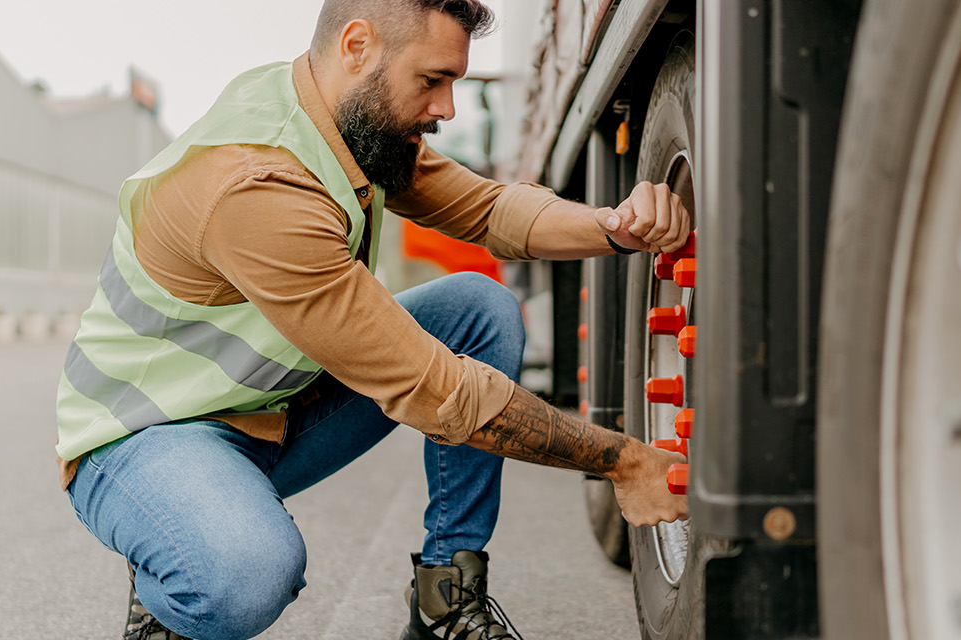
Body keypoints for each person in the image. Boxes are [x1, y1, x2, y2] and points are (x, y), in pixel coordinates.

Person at [56, 1, 691, 638]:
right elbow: (439, 392)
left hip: (270, 412)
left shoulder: (342, 119)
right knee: (243, 576)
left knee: (478, 308)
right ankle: (170, 571)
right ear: (357, 45)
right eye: (432, 80)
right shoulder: (258, 186)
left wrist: (619, 228)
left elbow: (491, 211)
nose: (446, 108)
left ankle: (445, 598)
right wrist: (623, 460)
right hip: (148, 437)